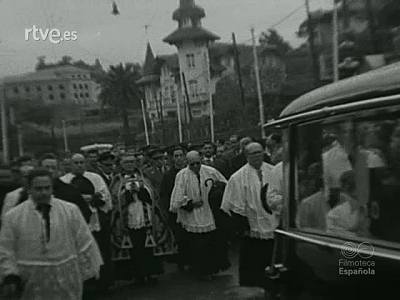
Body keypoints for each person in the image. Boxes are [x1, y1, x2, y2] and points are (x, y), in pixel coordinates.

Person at [0, 168, 102, 299]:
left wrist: (89, 269)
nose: (43, 193)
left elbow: (83, 240)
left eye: (47, 188)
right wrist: (10, 275)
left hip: (66, 277)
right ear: (29, 189)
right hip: (31, 281)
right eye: (38, 189)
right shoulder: (14, 216)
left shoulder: (70, 210)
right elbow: (6, 248)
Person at [221, 142, 279, 288]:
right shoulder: (238, 177)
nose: (258, 156)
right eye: (253, 153)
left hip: (275, 223)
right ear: (246, 156)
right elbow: (232, 207)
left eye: (260, 152)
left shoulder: (273, 171)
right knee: (256, 262)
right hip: (253, 227)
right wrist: (243, 226)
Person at [60, 153, 113, 295]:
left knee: (101, 251)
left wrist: (92, 199)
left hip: (96, 220)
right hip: (75, 223)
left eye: (81, 162)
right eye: (75, 163)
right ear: (70, 165)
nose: (79, 165)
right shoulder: (64, 181)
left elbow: (105, 197)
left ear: (85, 163)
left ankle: (103, 283)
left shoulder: (95, 178)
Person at [170, 151, 227, 280]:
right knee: (198, 245)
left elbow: (225, 185)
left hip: (209, 212)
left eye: (198, 163)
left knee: (211, 243)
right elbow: (177, 196)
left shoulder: (210, 171)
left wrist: (217, 194)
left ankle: (212, 269)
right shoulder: (182, 175)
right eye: (192, 164)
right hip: (193, 215)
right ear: (187, 163)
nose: (196, 166)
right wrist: (190, 203)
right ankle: (201, 270)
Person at [39, 153, 92, 222]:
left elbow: (85, 215)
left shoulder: (70, 191)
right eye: (47, 167)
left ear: (58, 169)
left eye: (53, 168)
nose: (50, 171)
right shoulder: (31, 191)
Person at [159, 145, 188, 270]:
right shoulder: (168, 175)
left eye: (181, 155)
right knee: (180, 238)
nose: (179, 158)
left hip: (191, 210)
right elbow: (164, 194)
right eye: (176, 156)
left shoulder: (190, 171)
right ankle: (182, 262)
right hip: (176, 212)